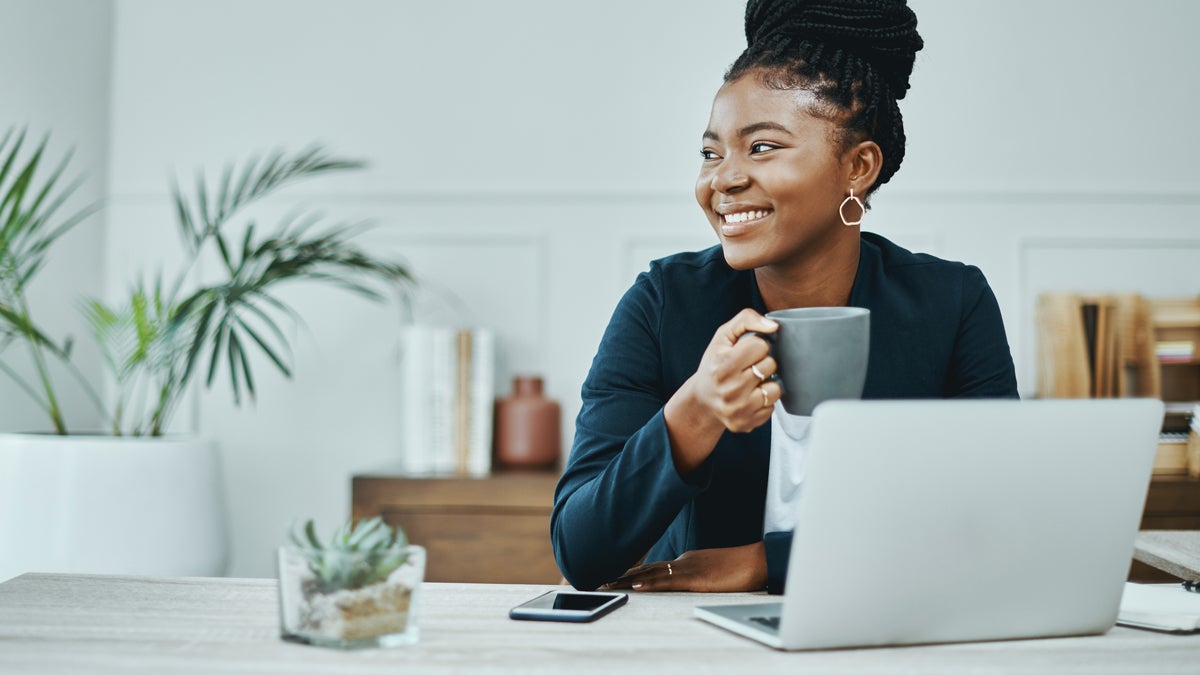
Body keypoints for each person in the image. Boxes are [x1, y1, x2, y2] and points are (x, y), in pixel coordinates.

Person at [551, 0, 1018, 595]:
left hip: (885, 622)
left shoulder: (951, 303)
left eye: (762, 148)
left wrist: (763, 563)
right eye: (711, 153)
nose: (723, 179)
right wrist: (696, 409)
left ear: (858, 166)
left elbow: (992, 520)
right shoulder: (663, 302)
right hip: (696, 635)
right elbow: (581, 551)